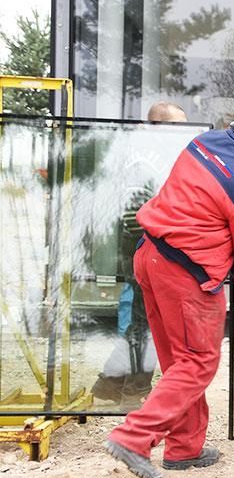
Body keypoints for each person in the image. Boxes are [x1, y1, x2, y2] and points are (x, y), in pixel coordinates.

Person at [104, 103, 234, 478]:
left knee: (179, 359)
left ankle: (185, 447)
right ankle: (133, 438)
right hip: (186, 272)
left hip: (149, 255)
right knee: (198, 360)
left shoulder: (205, 143)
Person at [92, 101, 188, 406]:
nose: (183, 135)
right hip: (146, 249)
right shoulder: (143, 162)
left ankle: (111, 383)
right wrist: (165, 241)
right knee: (147, 322)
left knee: (142, 320)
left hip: (149, 248)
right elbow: (134, 216)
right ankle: (133, 391)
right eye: (177, 128)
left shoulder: (159, 158)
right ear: (155, 128)